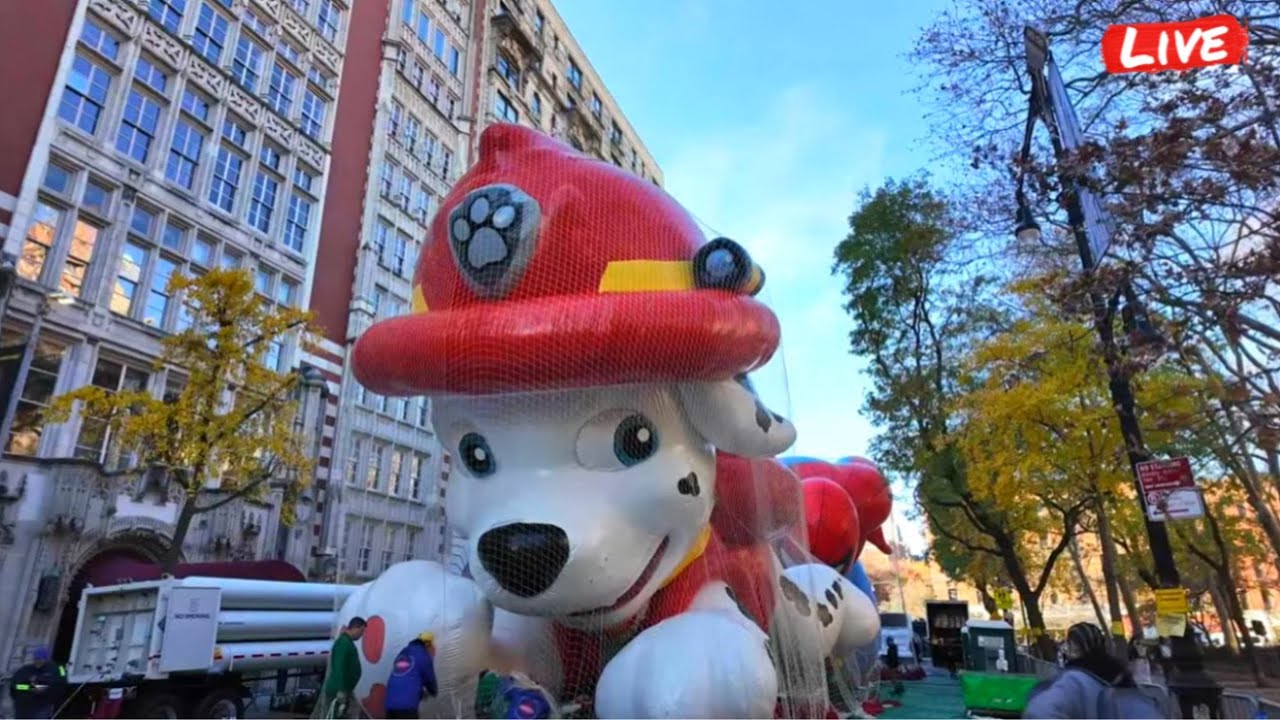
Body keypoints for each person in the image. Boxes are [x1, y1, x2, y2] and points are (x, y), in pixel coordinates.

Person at [1023, 622, 1164, 719]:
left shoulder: (1073, 680)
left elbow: (1039, 712)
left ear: (1075, 647)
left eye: (1069, 643)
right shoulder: (1121, 676)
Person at [316, 617, 366, 719]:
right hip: (338, 691)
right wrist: (341, 690)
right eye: (361, 631)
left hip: (344, 689)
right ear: (355, 628)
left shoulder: (347, 642)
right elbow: (339, 666)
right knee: (334, 715)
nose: (362, 635)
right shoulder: (343, 643)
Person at [384, 632, 438, 719]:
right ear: (428, 644)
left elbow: (406, 678)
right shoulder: (423, 655)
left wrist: (420, 693)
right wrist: (433, 691)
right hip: (407, 707)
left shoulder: (403, 652)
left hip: (390, 704)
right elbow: (429, 678)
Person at [8, 646, 67, 719]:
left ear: (46, 659)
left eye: (41, 659)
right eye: (36, 658)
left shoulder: (57, 668)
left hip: (41, 707)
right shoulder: (24, 670)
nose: (38, 661)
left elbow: (59, 683)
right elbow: (15, 686)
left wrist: (38, 687)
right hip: (23, 707)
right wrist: (31, 687)